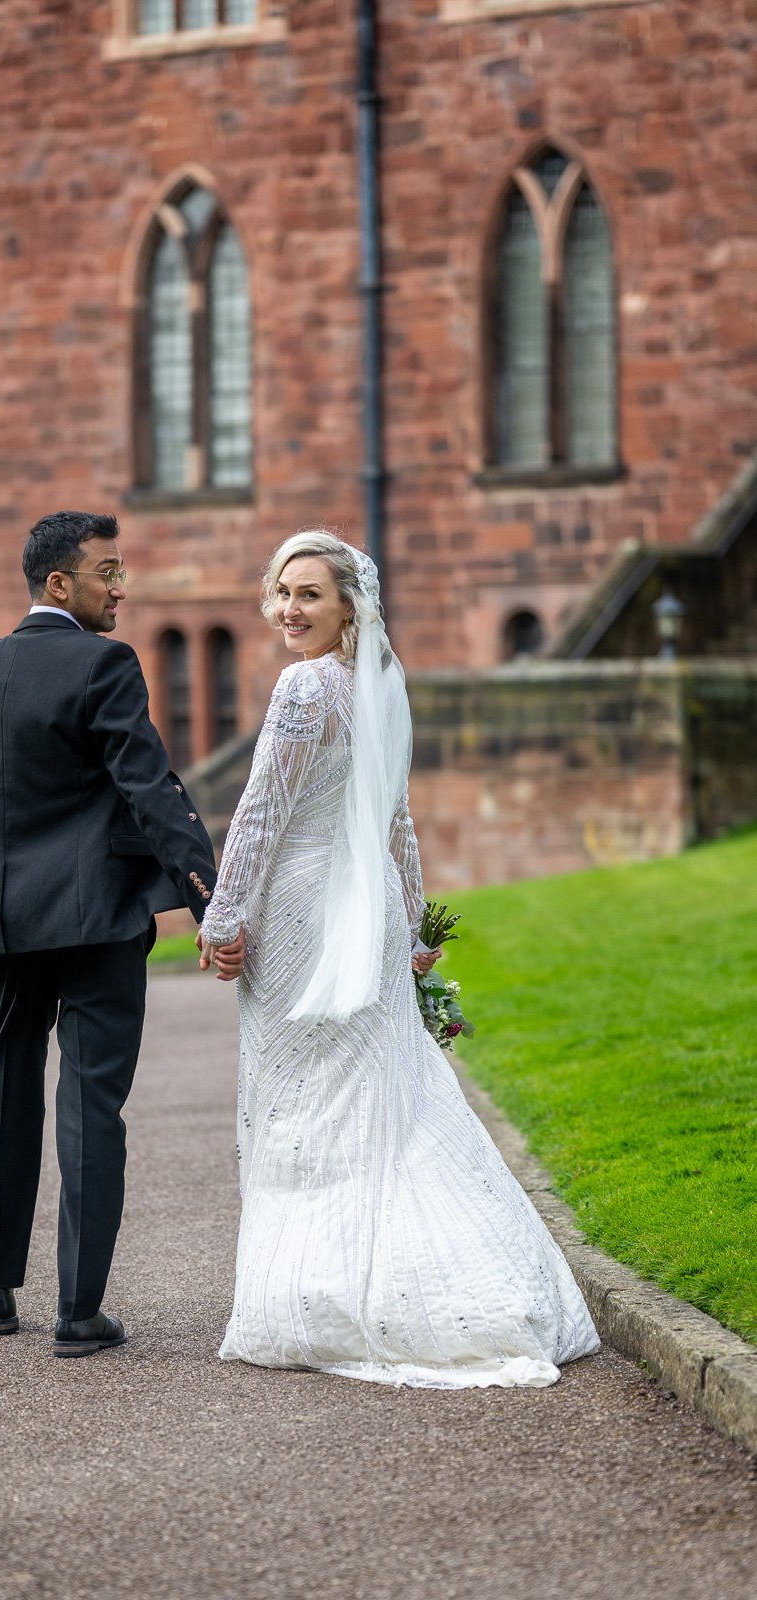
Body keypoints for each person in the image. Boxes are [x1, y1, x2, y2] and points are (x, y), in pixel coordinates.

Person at [198, 531, 600, 1388]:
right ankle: (401, 1274)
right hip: (371, 906)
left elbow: (264, 809)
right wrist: (412, 928)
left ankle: (320, 1289)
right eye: (281, 593)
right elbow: (398, 826)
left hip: (306, 906)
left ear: (349, 604)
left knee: (304, 1093)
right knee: (379, 1088)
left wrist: (221, 916)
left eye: (308, 594)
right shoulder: (381, 680)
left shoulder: (306, 686)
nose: (288, 610)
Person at [0, 510, 244, 1356]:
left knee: (8, 1087)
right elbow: (151, 787)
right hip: (98, 919)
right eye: (108, 571)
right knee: (90, 1101)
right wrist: (210, 902)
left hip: (2, 923)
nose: (121, 587)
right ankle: (77, 1311)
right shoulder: (105, 664)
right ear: (60, 583)